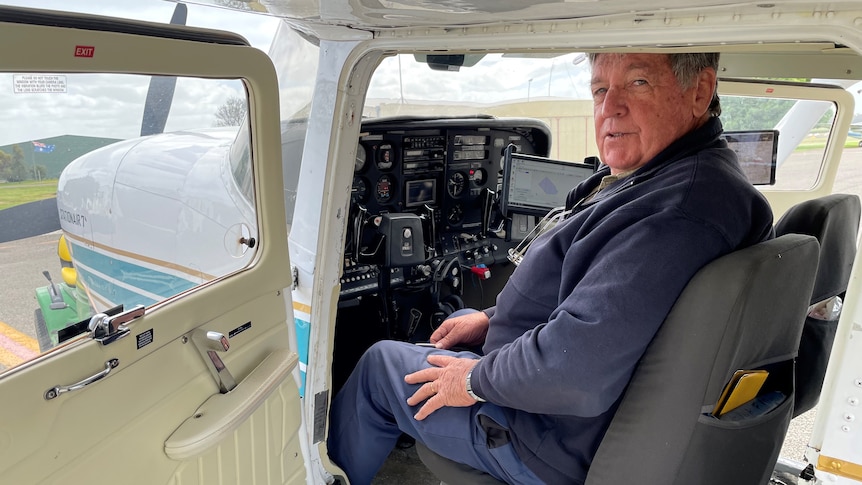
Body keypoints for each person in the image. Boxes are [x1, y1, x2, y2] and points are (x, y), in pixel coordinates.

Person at [327, 52, 774, 484]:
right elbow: (607, 310)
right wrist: (492, 321)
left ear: (700, 91)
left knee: (378, 366)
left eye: (638, 83)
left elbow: (578, 371)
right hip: (564, 405)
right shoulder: (677, 177)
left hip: (543, 435)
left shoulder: (677, 213)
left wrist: (473, 378)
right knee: (458, 320)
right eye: (600, 89)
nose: (610, 108)